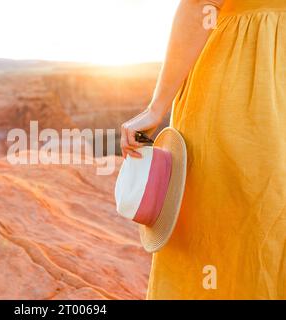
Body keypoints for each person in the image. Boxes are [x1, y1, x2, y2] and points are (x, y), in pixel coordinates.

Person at [121, 0, 286, 299]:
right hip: (262, 80)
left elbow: (201, 4)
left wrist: (156, 108)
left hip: (245, 82)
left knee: (225, 224)